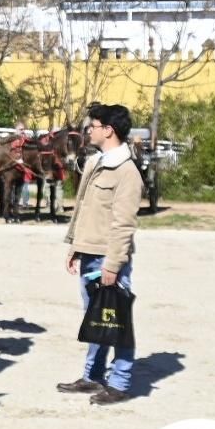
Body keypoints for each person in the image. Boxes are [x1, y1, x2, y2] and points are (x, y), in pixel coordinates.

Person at [58, 103, 143, 405]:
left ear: (108, 130)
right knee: (95, 320)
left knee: (116, 321)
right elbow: (83, 209)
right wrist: (75, 245)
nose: (88, 131)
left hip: (108, 258)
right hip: (88, 252)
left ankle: (119, 383)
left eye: (92, 125)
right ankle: (92, 376)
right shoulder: (95, 163)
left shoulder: (127, 172)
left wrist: (114, 263)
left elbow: (123, 224)